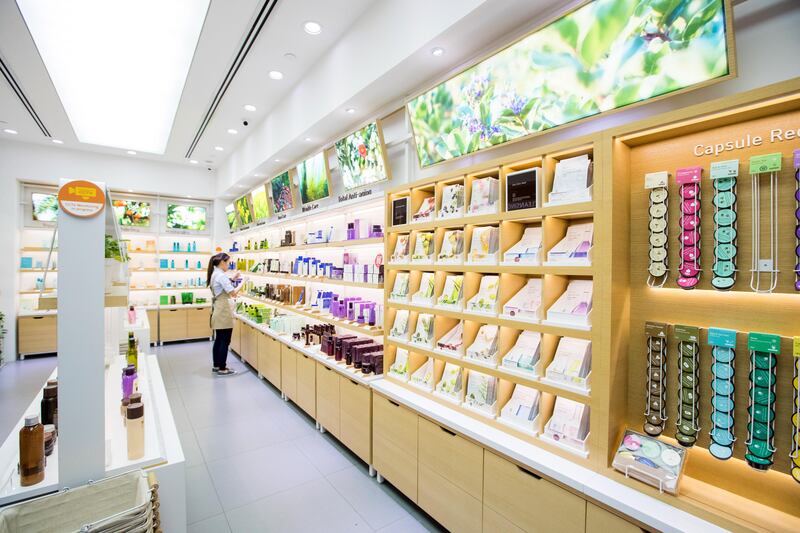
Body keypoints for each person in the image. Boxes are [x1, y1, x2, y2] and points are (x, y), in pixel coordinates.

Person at [207, 253, 240, 376]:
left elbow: (222, 286)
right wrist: (243, 283)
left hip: (218, 309)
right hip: (223, 311)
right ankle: (222, 368)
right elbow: (233, 293)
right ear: (222, 263)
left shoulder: (215, 274)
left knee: (219, 339)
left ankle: (216, 365)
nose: (229, 265)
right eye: (228, 263)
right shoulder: (221, 275)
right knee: (225, 340)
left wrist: (232, 279)